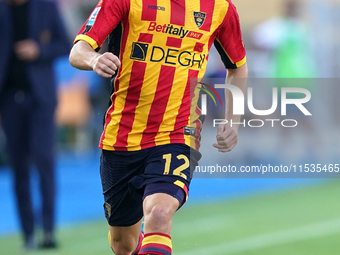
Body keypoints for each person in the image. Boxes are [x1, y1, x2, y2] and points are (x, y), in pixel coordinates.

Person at [69, 0, 247, 254]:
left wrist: (233, 121)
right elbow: (78, 50)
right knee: (123, 244)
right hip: (122, 136)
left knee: (159, 213)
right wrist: (94, 59)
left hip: (177, 133)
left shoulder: (220, 8)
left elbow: (237, 66)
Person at [0, 0, 70, 249]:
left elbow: (65, 44)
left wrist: (38, 49)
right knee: (18, 166)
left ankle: (48, 231)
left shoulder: (45, 6)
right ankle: (27, 233)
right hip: (8, 99)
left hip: (40, 98)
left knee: (44, 161)